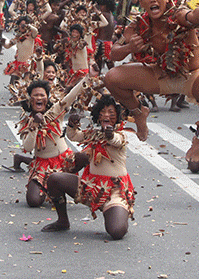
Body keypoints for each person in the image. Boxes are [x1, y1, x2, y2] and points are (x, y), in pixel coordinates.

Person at [103, 0, 199, 142]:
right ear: (141, 2)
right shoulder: (138, 24)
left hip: (194, 78)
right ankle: (138, 113)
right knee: (111, 77)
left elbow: (194, 16)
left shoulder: (178, 14)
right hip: (160, 77)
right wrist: (130, 48)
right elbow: (114, 53)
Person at [42, 94, 133, 239]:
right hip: (90, 188)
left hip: (114, 193)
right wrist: (72, 123)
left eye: (111, 113)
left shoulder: (121, 135)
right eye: (102, 112)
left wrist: (109, 135)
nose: (106, 116)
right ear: (97, 116)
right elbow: (74, 136)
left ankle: (117, 213)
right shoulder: (93, 134)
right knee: (54, 179)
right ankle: (62, 221)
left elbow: (116, 140)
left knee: (117, 232)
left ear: (117, 116)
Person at [14, 79, 89, 207]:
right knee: (33, 201)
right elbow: (27, 146)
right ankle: (53, 186)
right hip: (42, 166)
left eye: (42, 95)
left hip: (65, 160)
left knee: (85, 156)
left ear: (47, 99)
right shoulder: (27, 122)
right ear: (29, 99)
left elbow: (71, 96)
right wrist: (35, 125)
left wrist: (88, 77)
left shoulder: (55, 111)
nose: (39, 98)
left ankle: (67, 180)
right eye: (35, 95)